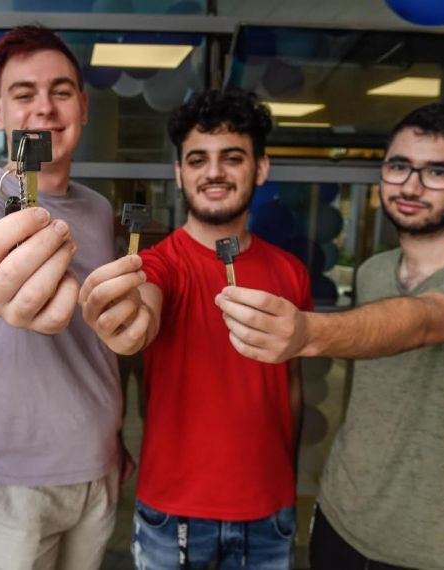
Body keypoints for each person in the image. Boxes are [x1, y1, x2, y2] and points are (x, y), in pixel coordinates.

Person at [216, 103, 444, 570]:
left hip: (440, 548)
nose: (411, 185)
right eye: (399, 166)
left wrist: (307, 332)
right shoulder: (376, 270)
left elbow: (424, 320)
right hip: (343, 521)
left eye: (437, 171)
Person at [80, 89, 313, 568]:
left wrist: (286, 473)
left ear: (261, 168)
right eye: (198, 159)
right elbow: (142, 309)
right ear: (179, 173)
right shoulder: (154, 264)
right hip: (174, 510)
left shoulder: (292, 272)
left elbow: (291, 384)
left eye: (232, 158)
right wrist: (127, 321)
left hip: (270, 510)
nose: (213, 173)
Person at [0, 25, 129, 570]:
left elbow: (100, 339)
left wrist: (115, 442)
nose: (44, 108)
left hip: (97, 468)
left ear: (84, 107)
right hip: (10, 479)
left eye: (61, 91)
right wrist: (2, 273)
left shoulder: (97, 209)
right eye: (24, 94)